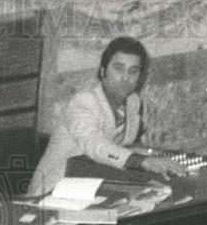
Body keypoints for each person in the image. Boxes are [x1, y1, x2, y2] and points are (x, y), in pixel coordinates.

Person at [32, 36, 188, 194]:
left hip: (93, 185)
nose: (125, 78)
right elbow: (94, 145)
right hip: (53, 191)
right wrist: (143, 161)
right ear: (103, 71)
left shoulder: (133, 102)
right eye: (118, 68)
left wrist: (155, 157)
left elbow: (120, 145)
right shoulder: (84, 102)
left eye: (133, 71)